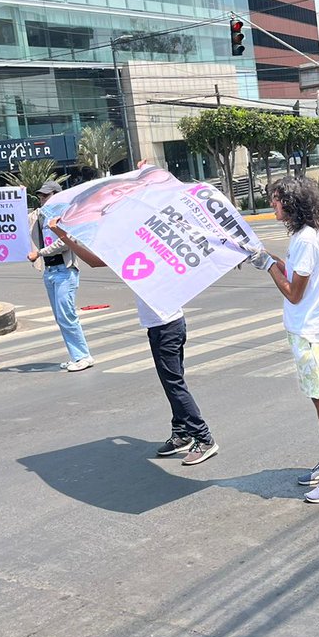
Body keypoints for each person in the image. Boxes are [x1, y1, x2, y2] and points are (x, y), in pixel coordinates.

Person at [46, 215, 219, 465]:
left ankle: (203, 438)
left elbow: (94, 262)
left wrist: (63, 235)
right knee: (174, 382)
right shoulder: (149, 248)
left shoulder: (141, 251)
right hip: (168, 323)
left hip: (166, 326)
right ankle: (181, 432)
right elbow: (97, 259)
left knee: (174, 384)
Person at [248, 175, 319, 504]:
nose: (273, 205)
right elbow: (294, 274)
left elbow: (293, 292)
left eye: (276, 199)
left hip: (309, 332)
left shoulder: (305, 239)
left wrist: (267, 267)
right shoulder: (310, 234)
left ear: (290, 203)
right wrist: (272, 260)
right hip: (309, 330)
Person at [28, 180, 93, 372]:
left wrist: (40, 253)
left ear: (57, 195)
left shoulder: (66, 217)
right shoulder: (40, 216)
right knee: (60, 317)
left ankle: (83, 356)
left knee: (67, 315)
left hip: (65, 271)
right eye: (40, 196)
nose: (42, 199)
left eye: (46, 196)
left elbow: (65, 243)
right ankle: (76, 356)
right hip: (49, 271)